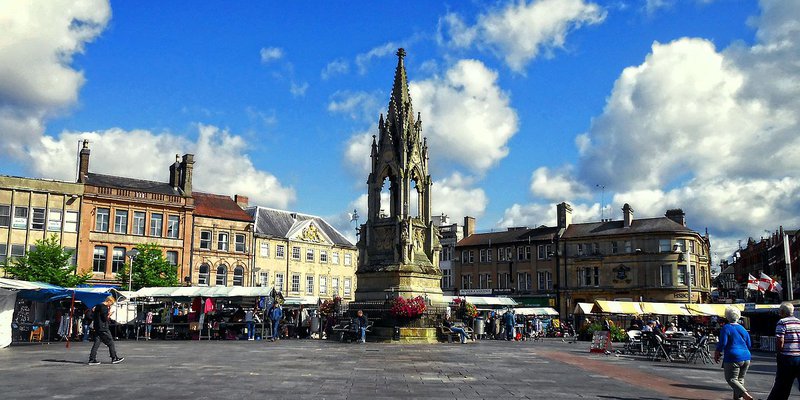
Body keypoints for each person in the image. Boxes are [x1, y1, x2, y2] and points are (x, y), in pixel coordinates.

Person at [714, 306, 753, 400]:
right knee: (740, 380)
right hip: (746, 356)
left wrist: (717, 352)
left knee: (731, 379)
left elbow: (723, 343)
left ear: (727, 316)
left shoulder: (726, 328)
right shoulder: (743, 329)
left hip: (733, 357)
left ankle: (745, 395)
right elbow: (749, 344)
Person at [766, 302, 800, 400]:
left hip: (787, 357)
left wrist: (778, 352)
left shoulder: (782, 322)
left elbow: (780, 340)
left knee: (782, 384)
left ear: (782, 312)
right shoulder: (798, 322)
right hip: (799, 355)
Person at [88, 296, 123, 365]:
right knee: (110, 342)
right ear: (109, 301)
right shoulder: (104, 307)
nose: (111, 305)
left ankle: (92, 359)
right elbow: (104, 319)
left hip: (97, 327)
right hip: (103, 327)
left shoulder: (97, 306)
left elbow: (93, 315)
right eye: (111, 303)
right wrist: (109, 315)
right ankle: (114, 358)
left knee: (97, 343)